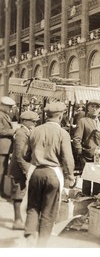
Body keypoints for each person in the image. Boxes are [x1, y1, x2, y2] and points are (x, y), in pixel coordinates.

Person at [24, 102, 75, 247]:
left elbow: (25, 154)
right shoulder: (63, 133)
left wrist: (37, 156)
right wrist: (70, 176)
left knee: (33, 205)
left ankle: (29, 234)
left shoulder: (35, 131)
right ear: (60, 116)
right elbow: (67, 158)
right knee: (49, 209)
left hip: (36, 172)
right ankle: (42, 244)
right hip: (53, 173)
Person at [8, 111, 40, 230]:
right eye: (33, 121)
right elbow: (19, 155)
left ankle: (21, 219)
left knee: (21, 193)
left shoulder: (27, 131)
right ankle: (17, 220)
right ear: (25, 121)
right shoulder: (22, 133)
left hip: (23, 167)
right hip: (19, 169)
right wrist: (27, 170)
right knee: (18, 194)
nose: (35, 124)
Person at [73, 99, 100, 196]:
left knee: (98, 181)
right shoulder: (83, 121)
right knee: (87, 181)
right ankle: (84, 201)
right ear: (88, 107)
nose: (94, 109)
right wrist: (80, 152)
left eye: (97, 107)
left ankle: (95, 202)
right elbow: (76, 138)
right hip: (87, 156)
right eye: (92, 106)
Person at [0, 96, 17, 201]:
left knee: (3, 170)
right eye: (9, 107)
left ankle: (2, 192)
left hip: (4, 148)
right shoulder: (0, 116)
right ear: (3, 105)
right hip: (1, 148)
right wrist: (14, 130)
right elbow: (1, 131)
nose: (10, 109)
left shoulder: (4, 115)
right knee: (0, 171)